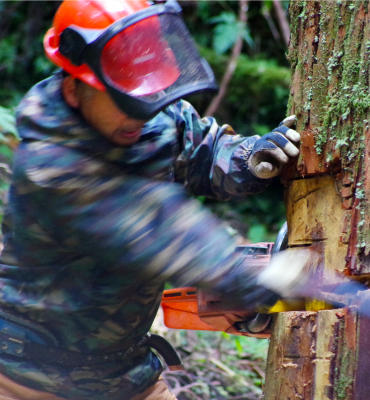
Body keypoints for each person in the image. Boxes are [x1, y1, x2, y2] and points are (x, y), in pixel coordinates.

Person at [0, 1, 307, 399]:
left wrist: (251, 158)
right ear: (74, 89)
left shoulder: (153, 114)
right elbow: (157, 232)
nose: (140, 114)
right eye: (122, 98)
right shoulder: (51, 166)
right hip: (27, 377)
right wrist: (250, 275)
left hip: (124, 373)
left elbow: (205, 152)